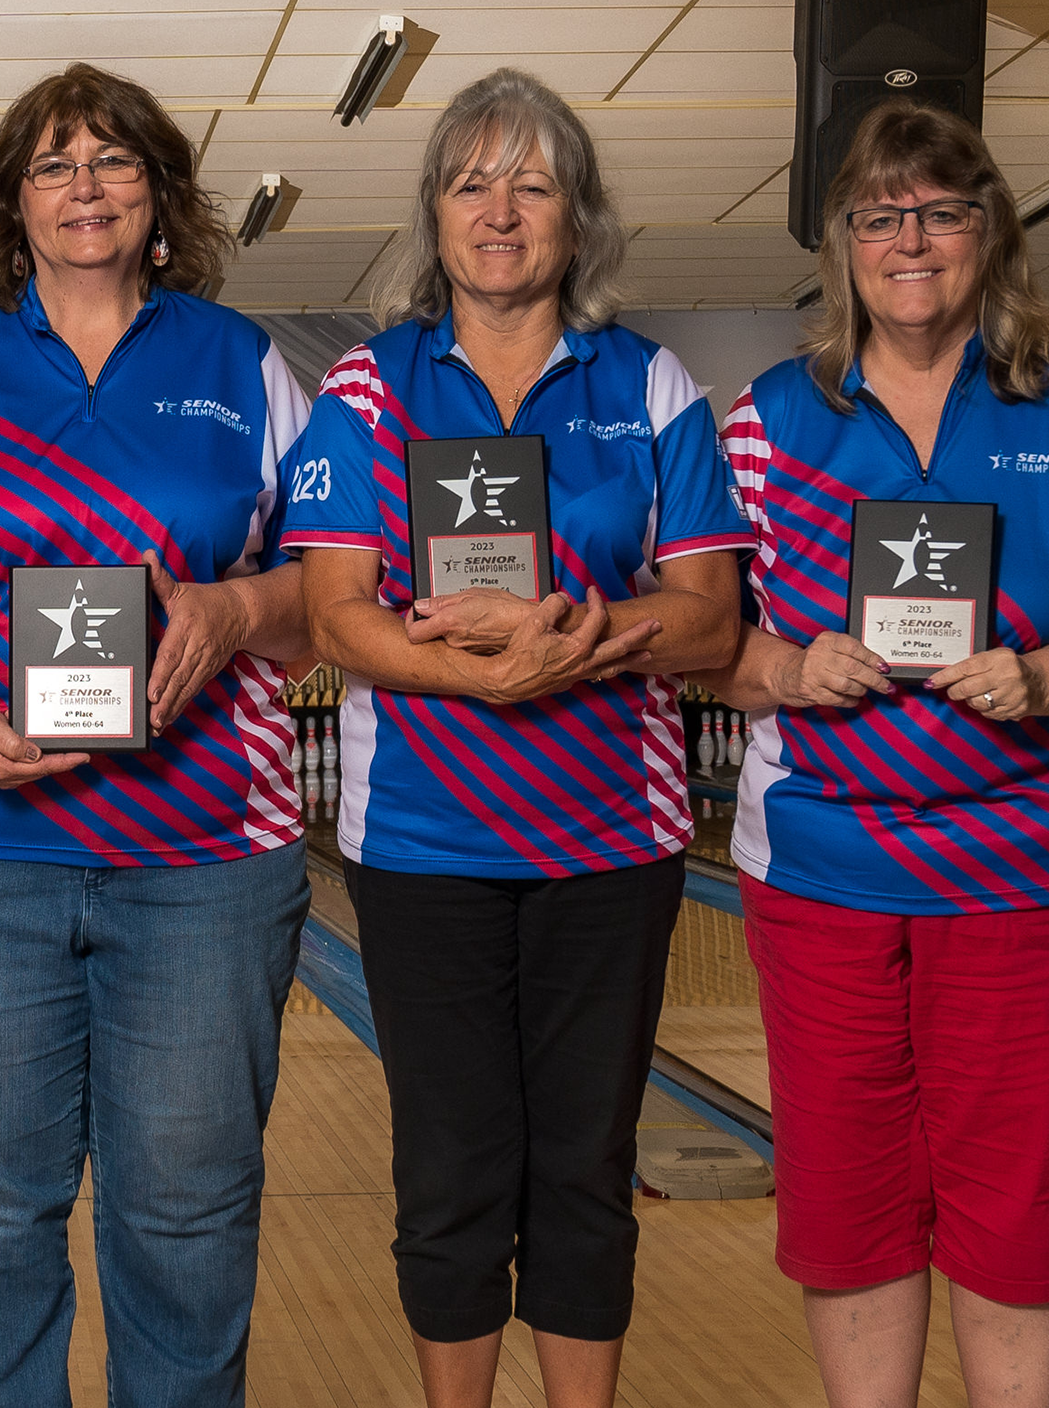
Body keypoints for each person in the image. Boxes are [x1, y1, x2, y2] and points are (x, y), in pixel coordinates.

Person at [698, 98, 1049, 1408]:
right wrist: (789, 668)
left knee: (1016, 1203)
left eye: (943, 212)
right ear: (844, 244)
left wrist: (1045, 676)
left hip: (1024, 871)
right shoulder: (765, 425)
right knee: (852, 1201)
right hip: (821, 872)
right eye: (881, 215)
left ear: (990, 235)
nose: (911, 240)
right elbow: (699, 641)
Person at [0, 63, 312, 1408]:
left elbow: (324, 594)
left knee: (187, 1215)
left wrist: (231, 608)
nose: (86, 187)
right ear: (18, 203)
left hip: (206, 855)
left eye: (114, 161)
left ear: (158, 196)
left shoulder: (242, 364)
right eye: (54, 164)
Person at [286, 68, 747, 1408]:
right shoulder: (370, 390)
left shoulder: (649, 384)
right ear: (433, 216)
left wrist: (584, 641)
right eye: (472, 182)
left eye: (533, 184)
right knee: (453, 1167)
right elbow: (329, 615)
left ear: (575, 219)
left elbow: (712, 622)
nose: (501, 211)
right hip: (423, 842)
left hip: (614, 842)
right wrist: (482, 684)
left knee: (587, 1170)